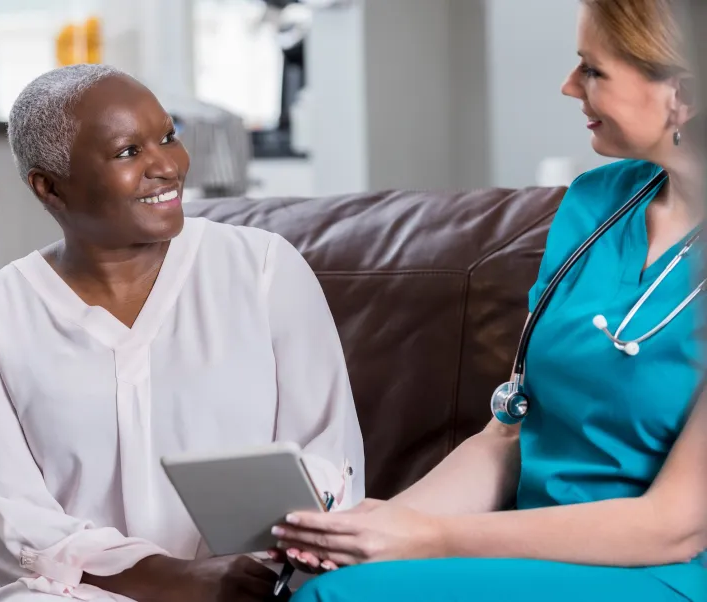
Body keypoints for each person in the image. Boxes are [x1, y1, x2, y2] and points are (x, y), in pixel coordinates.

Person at [272, 1, 707, 601]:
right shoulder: (596, 204)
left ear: (682, 94)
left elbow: (674, 528)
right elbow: (510, 433)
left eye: (592, 70)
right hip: (524, 549)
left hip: (661, 568)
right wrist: (366, 532)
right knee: (342, 580)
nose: (567, 85)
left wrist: (432, 538)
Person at [0, 64, 365, 602]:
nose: (166, 166)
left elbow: (329, 458)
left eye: (168, 137)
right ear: (49, 188)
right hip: (83, 593)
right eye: (127, 153)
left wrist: (261, 568)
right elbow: (18, 529)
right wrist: (182, 581)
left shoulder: (261, 268)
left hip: (266, 586)